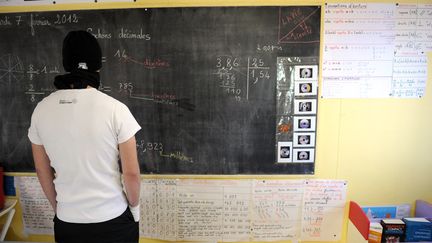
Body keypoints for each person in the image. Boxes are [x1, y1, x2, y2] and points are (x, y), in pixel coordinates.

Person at [28, 30, 141, 243]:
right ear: (98, 65)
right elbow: (132, 174)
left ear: (66, 63)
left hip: (68, 222)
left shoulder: (41, 110)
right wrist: (134, 210)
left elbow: (42, 169)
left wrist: (59, 209)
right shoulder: (116, 109)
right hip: (113, 219)